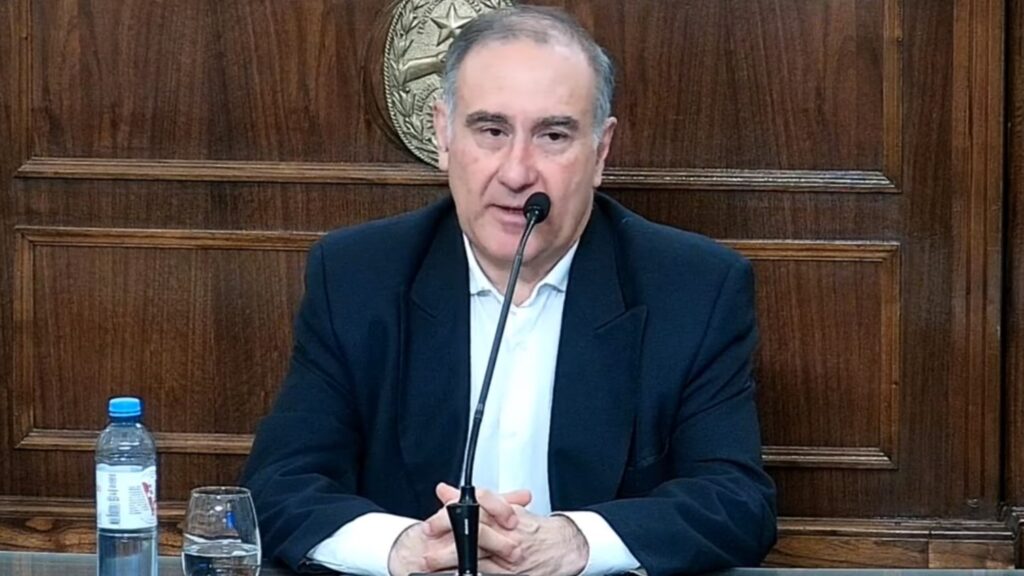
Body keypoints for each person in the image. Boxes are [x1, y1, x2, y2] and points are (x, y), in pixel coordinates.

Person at [241, 6, 777, 576]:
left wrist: (576, 542)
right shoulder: (358, 276)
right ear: (444, 135)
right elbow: (279, 485)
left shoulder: (693, 287)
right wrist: (403, 548)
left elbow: (734, 501)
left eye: (553, 135)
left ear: (600, 153)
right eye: (491, 131)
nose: (518, 173)